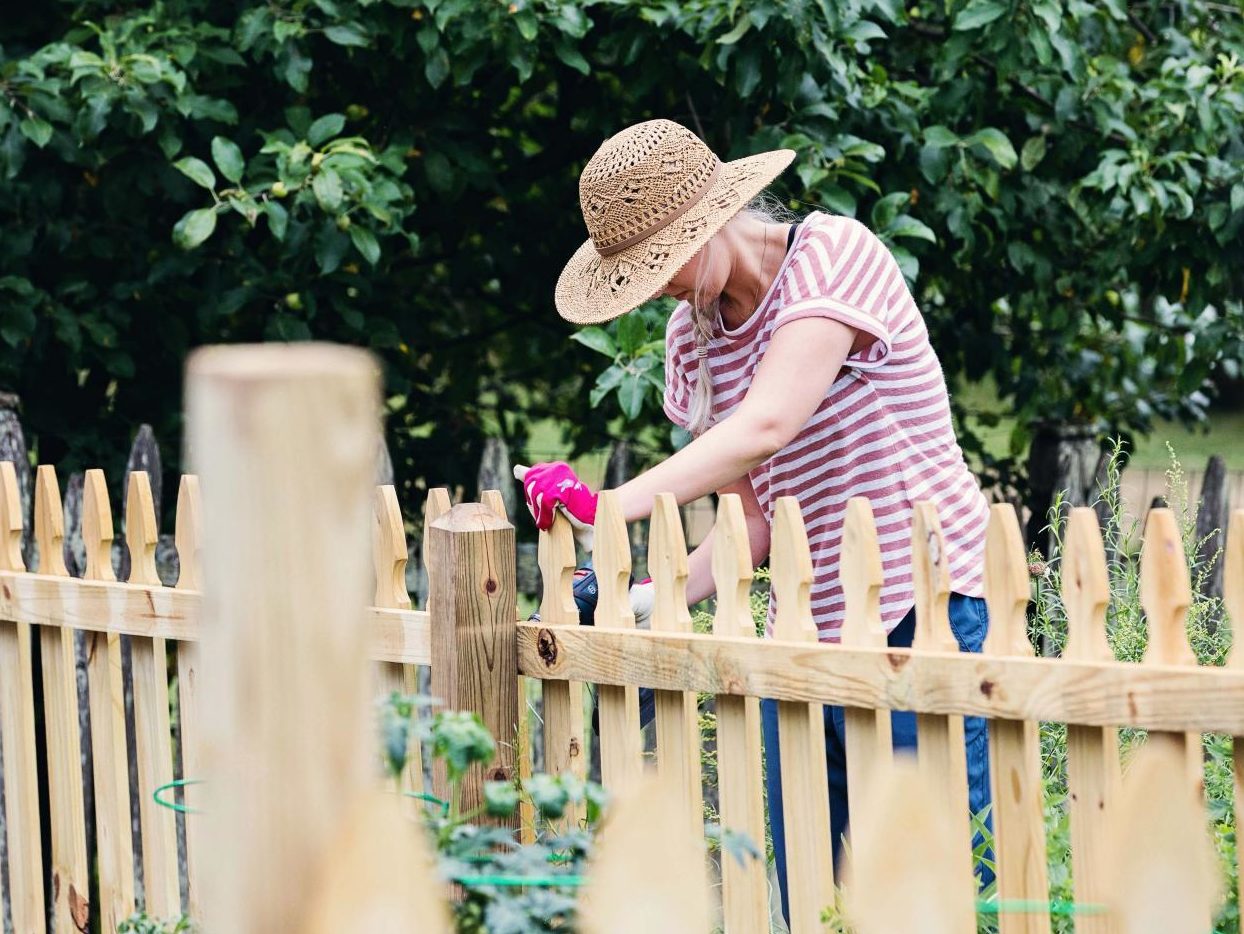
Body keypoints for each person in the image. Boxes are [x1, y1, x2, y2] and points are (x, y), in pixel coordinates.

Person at [520, 118, 993, 915]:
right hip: (803, 631)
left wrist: (606, 507)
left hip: (922, 608)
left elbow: (767, 425)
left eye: (660, 262)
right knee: (814, 890)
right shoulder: (692, 341)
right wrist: (643, 598)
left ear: (709, 218)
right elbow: (754, 526)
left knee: (930, 889)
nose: (658, 287)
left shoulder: (833, 259)